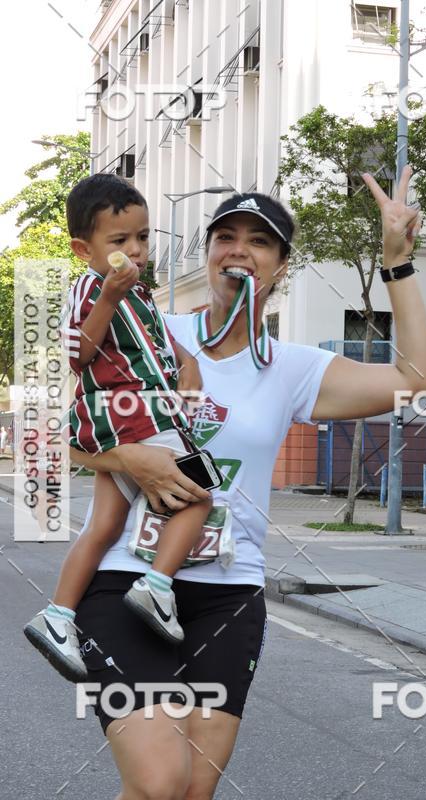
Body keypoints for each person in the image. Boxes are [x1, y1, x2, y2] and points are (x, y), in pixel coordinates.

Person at [66, 168, 426, 800]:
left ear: (280, 267)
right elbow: (68, 437)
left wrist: (398, 263)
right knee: (158, 782)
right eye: (226, 237)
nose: (239, 250)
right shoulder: (148, 331)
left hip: (229, 594)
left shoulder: (293, 368)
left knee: (191, 793)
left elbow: (416, 381)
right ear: (209, 253)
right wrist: (132, 459)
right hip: (127, 579)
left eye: (259, 241)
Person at [24, 174, 213, 683]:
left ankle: (57, 616)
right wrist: (108, 296)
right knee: (199, 497)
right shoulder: (90, 288)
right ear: (83, 249)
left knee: (105, 525)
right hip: (134, 414)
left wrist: (185, 359)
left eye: (143, 237)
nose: (135, 250)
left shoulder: (140, 292)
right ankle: (156, 586)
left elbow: (156, 339)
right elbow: (78, 354)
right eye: (120, 240)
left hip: (129, 416)